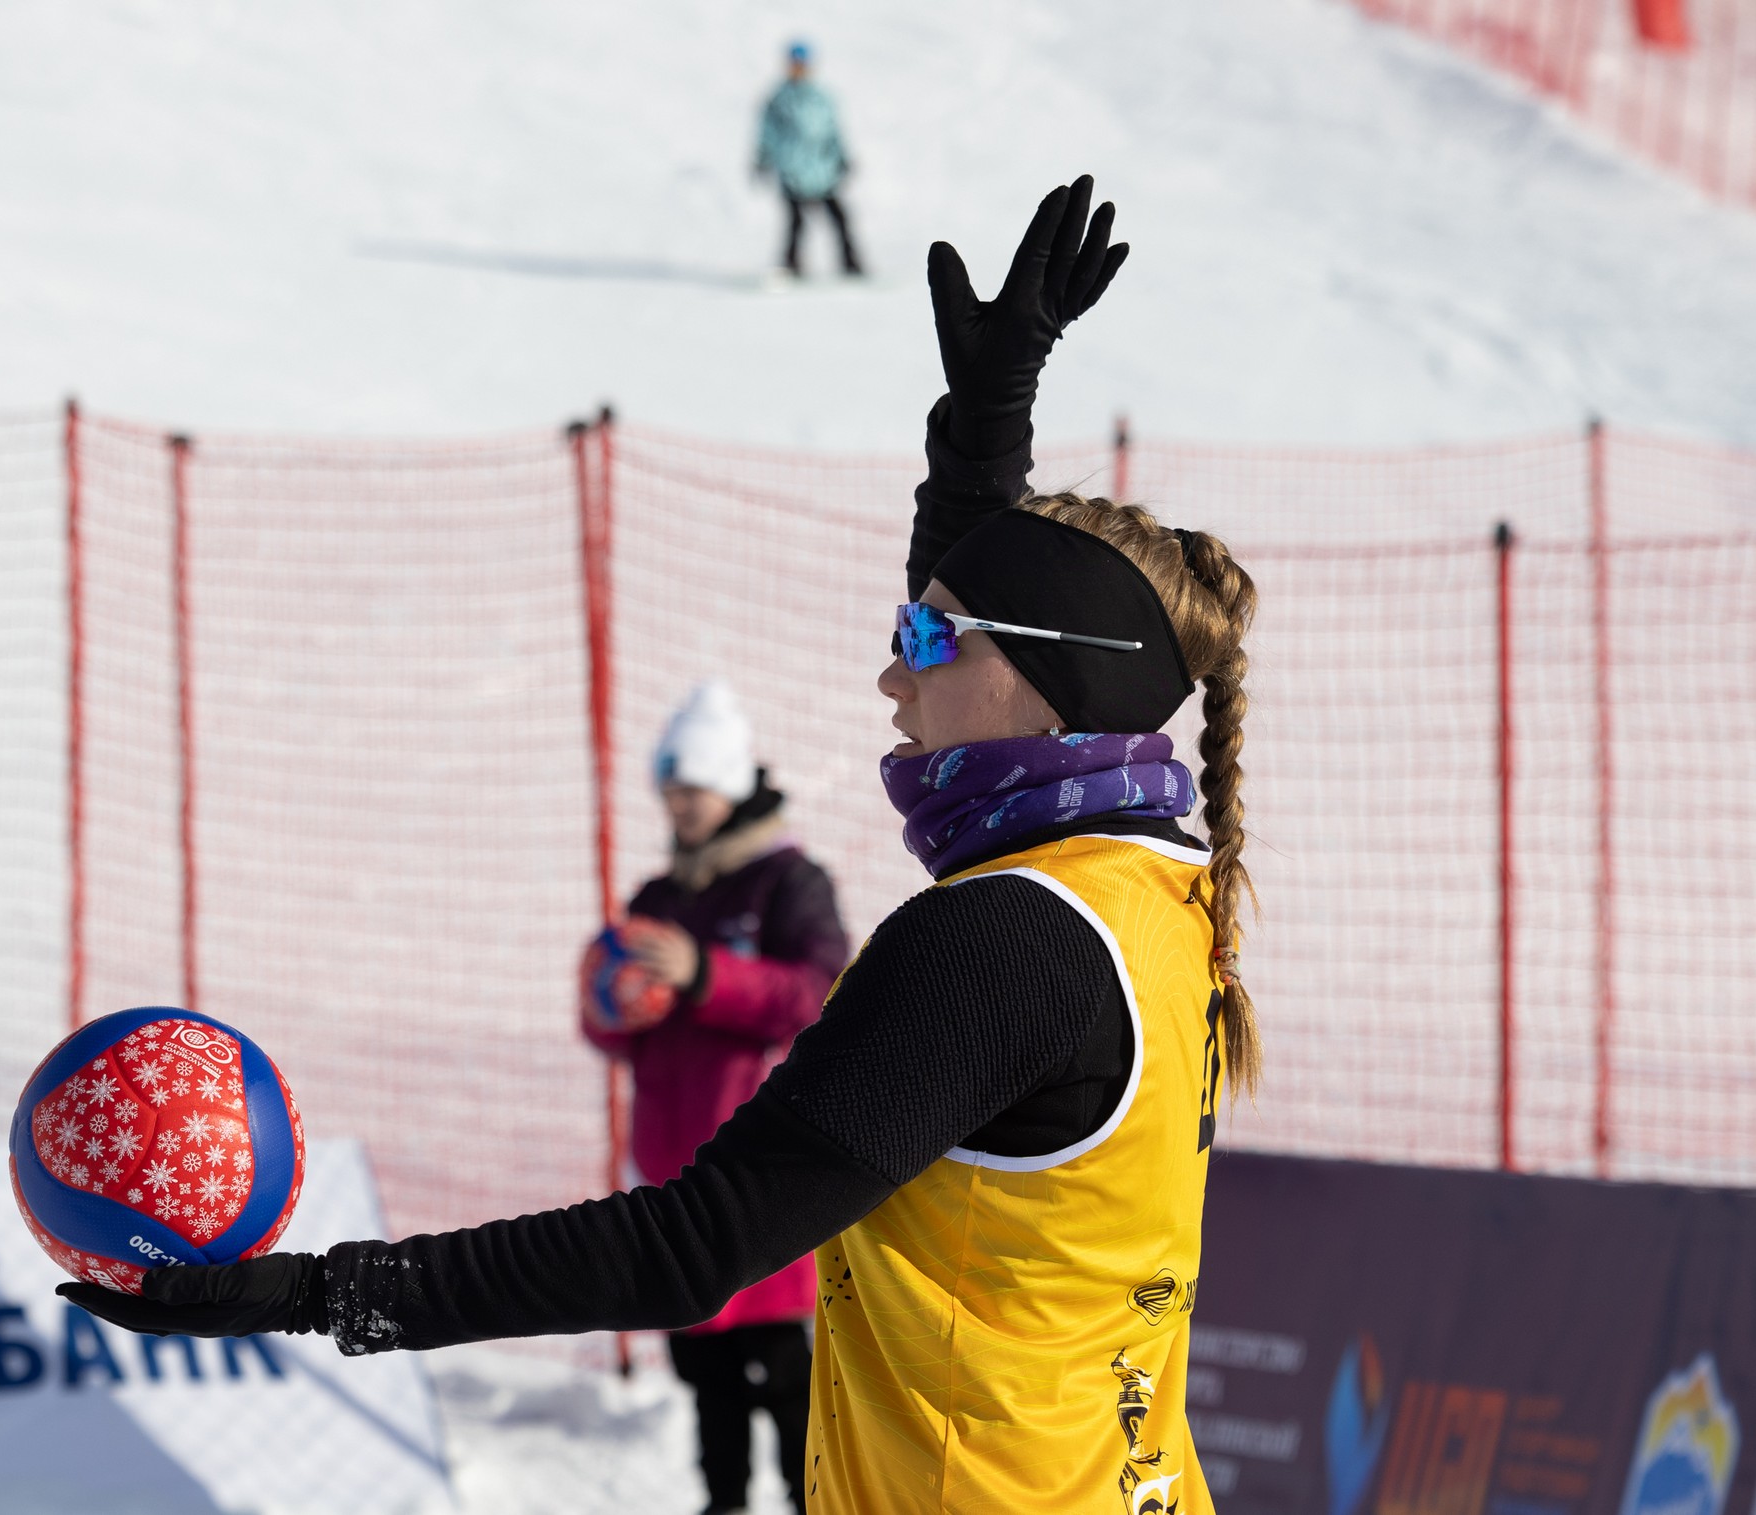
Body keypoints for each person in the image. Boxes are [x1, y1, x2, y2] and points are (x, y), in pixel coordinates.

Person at [64, 176, 1263, 1515]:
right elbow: (1015, 618)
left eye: (925, 641)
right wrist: (983, 431)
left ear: (1045, 691)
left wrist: (321, 1288)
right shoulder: (1154, 888)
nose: (890, 675)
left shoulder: (1002, 938)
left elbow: (703, 1239)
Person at [582, 680, 849, 1515]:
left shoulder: (788, 882)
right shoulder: (660, 897)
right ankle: (722, 1502)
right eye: (669, 789)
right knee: (708, 1381)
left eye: (691, 788)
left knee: (790, 1388)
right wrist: (609, 1007)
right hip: (673, 1177)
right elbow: (617, 1036)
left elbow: (821, 990)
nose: (678, 805)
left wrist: (704, 974)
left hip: (767, 1179)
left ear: (730, 786)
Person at [755, 41, 862, 279]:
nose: (798, 68)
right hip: (792, 172)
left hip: (822, 172)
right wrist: (762, 159)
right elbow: (767, 134)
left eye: (802, 64)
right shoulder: (778, 100)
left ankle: (851, 264)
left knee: (839, 219)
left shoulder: (821, 98)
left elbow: (833, 133)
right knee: (796, 223)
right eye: (794, 64)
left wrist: (842, 159)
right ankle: (791, 265)